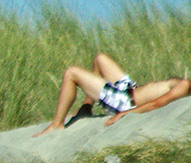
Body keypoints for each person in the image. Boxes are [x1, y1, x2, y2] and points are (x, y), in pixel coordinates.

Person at [34, 53, 191, 135]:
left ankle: (57, 125)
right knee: (100, 59)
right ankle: (86, 106)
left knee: (71, 73)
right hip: (129, 88)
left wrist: (123, 114)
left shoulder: (185, 86)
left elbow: (157, 104)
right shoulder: (185, 82)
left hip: (124, 102)